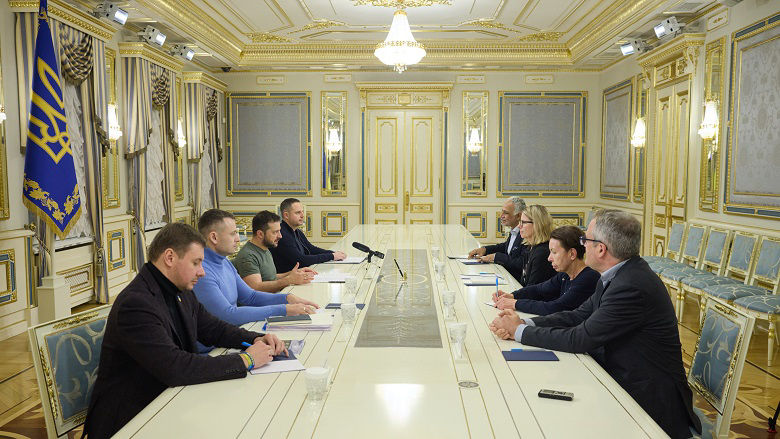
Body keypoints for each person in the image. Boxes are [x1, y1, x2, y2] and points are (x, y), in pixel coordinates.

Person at [490, 209, 701, 439]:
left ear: (601, 249)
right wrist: (524, 322)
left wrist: (519, 332)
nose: (583, 245)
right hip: (623, 379)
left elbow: (581, 338)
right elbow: (577, 315)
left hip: (649, 404)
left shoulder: (631, 286)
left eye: (585, 240)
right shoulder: (617, 274)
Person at [84, 223, 287, 438]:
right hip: (132, 418)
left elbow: (213, 328)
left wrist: (258, 338)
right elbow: (176, 367)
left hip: (170, 400)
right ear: (170, 257)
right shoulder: (136, 303)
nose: (202, 271)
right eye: (196, 262)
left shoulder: (179, 288)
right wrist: (246, 360)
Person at [193, 209, 319, 341]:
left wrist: (287, 298)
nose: (237, 239)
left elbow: (250, 296)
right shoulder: (202, 272)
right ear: (214, 237)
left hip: (233, 336)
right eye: (233, 233)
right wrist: (284, 309)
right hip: (212, 349)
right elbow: (228, 314)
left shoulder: (224, 261)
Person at [491, 225, 599, 315]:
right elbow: (538, 289)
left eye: (554, 252)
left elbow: (555, 308)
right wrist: (512, 295)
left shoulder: (588, 279)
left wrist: (515, 303)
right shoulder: (565, 275)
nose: (549, 258)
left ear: (572, 254)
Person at [233, 210, 317, 292]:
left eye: (279, 231)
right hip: (262, 304)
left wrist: (293, 273)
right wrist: (288, 280)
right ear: (260, 234)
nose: (280, 236)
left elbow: (270, 278)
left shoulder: (265, 248)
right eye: (275, 232)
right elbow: (255, 288)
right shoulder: (248, 255)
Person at [482, 204, 556, 286]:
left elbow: (533, 291)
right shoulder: (530, 248)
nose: (519, 226)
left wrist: (513, 296)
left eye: (523, 222)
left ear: (537, 225)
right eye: (520, 222)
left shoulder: (542, 253)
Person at [271, 198, 346, 272]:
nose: (302, 215)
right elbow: (301, 260)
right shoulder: (282, 234)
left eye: (302, 212)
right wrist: (332, 256)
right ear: (286, 215)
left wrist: (333, 253)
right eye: (298, 213)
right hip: (288, 280)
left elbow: (311, 249)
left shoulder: (297, 231)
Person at [468, 197, 527, 282]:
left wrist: (495, 257)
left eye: (505, 213)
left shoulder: (526, 234)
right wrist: (484, 250)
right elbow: (505, 247)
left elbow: (521, 263)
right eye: (502, 211)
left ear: (518, 216)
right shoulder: (515, 230)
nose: (501, 216)